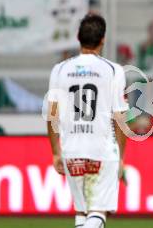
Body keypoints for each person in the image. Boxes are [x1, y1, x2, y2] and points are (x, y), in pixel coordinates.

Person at [46, 14, 128, 228]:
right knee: (98, 211)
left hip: (72, 149)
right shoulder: (113, 70)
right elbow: (120, 116)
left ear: (77, 37)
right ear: (103, 40)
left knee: (82, 211)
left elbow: (52, 114)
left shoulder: (60, 69)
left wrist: (56, 151)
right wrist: (121, 156)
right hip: (101, 149)